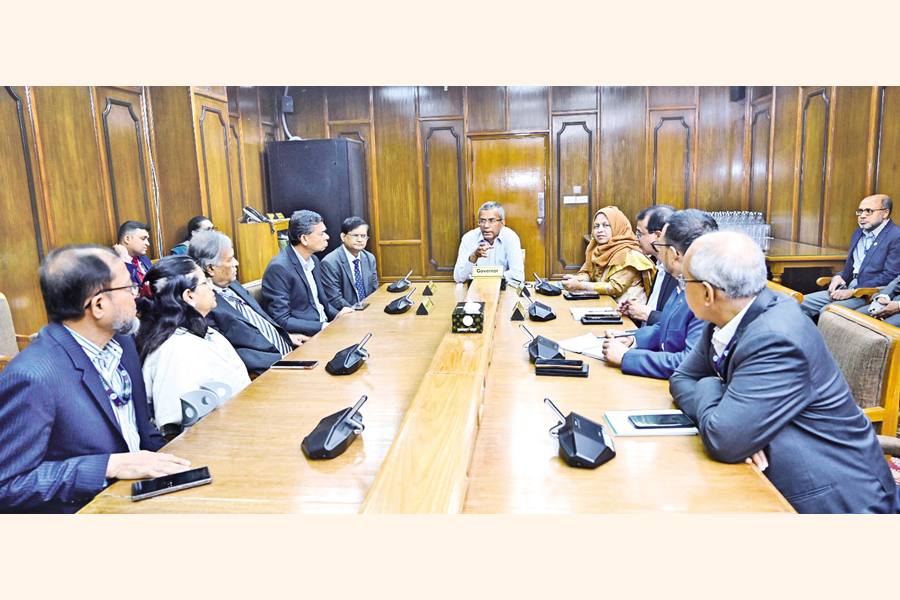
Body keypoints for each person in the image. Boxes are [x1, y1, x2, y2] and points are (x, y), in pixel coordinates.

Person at [670, 231, 899, 513]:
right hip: (778, 471)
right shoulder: (731, 313)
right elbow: (681, 378)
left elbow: (723, 440)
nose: (682, 286)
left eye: (684, 281)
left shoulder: (775, 336)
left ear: (707, 292)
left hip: (833, 498)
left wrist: (712, 389)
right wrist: (737, 426)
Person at [0, 245, 190, 513]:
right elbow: (7, 484)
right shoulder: (33, 376)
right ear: (99, 305)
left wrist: (187, 463)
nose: (137, 297)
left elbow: (140, 432)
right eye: (129, 288)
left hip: (143, 497)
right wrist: (110, 466)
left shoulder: (123, 346)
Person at [136, 256, 251, 435]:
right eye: (205, 282)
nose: (212, 287)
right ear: (189, 295)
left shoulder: (199, 331)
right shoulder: (173, 350)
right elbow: (180, 428)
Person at [603, 209, 716, 379]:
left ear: (673, 254)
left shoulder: (706, 293)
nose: (657, 250)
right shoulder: (682, 279)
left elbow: (688, 362)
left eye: (660, 245)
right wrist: (632, 340)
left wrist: (627, 357)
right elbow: (666, 327)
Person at [189, 230, 308, 375]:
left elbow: (259, 318)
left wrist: (284, 337)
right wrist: (281, 361)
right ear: (210, 268)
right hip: (268, 370)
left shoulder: (231, 283)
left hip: (289, 351)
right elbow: (230, 353)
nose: (236, 263)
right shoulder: (204, 304)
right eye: (230, 260)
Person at [800, 194, 900, 320]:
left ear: (885, 213)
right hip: (847, 287)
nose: (862, 215)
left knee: (827, 312)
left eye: (869, 211)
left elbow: (890, 276)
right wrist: (839, 276)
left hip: (868, 293)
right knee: (798, 303)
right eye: (860, 211)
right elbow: (854, 266)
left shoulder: (896, 236)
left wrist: (853, 291)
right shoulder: (858, 232)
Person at [261, 210, 354, 336]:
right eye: (321, 234)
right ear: (304, 239)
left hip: (324, 329)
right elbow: (281, 320)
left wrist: (338, 315)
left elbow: (319, 304)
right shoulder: (279, 268)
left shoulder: (314, 260)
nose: (327, 237)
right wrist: (324, 326)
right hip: (307, 336)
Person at [562, 206, 655, 303]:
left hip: (629, 313)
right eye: (596, 226)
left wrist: (580, 286)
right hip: (606, 305)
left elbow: (615, 288)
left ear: (618, 227)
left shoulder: (629, 253)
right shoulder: (597, 249)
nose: (600, 230)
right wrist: (580, 279)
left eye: (606, 225)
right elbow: (587, 271)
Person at [618, 204, 677, 327]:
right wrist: (634, 310)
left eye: (639, 233)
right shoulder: (657, 263)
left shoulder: (678, 272)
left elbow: (678, 324)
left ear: (658, 236)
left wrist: (648, 315)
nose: (635, 238)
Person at [453, 201, 525, 284]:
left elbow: (518, 276)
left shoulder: (510, 237)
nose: (486, 226)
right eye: (482, 221)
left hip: (503, 289)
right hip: (476, 290)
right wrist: (473, 257)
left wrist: (485, 277)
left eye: (492, 220)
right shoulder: (469, 238)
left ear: (502, 223)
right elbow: (458, 278)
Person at [319, 216, 380, 311]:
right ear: (343, 237)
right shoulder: (330, 262)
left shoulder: (369, 258)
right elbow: (335, 299)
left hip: (369, 311)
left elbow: (374, 290)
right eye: (355, 235)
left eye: (363, 236)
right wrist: (357, 312)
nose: (360, 240)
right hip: (346, 314)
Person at [113, 220, 152, 288]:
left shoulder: (144, 258)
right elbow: (130, 288)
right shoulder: (113, 262)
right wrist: (125, 259)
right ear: (127, 239)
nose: (148, 244)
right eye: (143, 239)